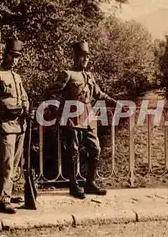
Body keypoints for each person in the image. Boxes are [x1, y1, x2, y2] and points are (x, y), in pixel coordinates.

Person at [45, 41, 119, 199]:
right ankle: (73, 186)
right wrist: (57, 110)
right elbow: (51, 92)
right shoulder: (68, 74)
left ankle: (89, 183)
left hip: (89, 117)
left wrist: (116, 103)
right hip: (72, 118)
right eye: (82, 57)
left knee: (95, 149)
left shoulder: (89, 76)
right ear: (75, 57)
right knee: (72, 153)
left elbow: (99, 94)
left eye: (87, 57)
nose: (85, 59)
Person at [0, 38, 30, 213]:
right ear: (6, 54)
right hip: (4, 123)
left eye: (18, 56)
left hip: (19, 125)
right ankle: (2, 200)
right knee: (6, 163)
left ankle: (7, 194)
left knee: (15, 163)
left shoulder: (16, 77)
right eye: (13, 56)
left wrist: (27, 107)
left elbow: (24, 96)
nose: (16, 60)